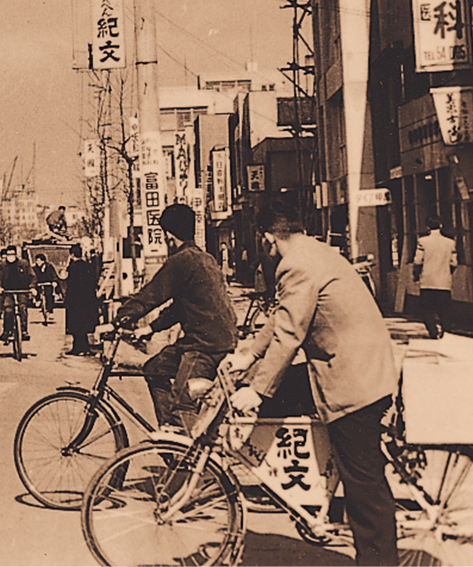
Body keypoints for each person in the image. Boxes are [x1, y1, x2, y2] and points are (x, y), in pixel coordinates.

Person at [219, 198, 398, 567]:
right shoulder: (315, 252)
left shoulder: (295, 265)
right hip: (357, 367)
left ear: (267, 237)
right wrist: (248, 356)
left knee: (364, 488)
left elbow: (289, 333)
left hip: (353, 381)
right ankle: (311, 499)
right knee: (281, 398)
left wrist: (255, 389)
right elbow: (282, 315)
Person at [111, 204, 238, 430]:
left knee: (182, 403)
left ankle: (185, 454)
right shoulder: (205, 258)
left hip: (204, 346)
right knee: (154, 368)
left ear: (169, 236)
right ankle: (169, 435)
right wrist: (151, 328)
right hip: (215, 339)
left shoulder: (181, 261)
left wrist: (119, 319)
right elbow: (183, 306)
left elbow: (151, 294)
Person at [413, 215, 457, 339]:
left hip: (427, 281)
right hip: (444, 282)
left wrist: (416, 276)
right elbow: (454, 263)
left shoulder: (423, 241)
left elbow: (418, 261)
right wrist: (447, 273)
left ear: (427, 227)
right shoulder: (450, 243)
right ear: (441, 226)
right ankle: (446, 332)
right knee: (445, 310)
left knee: (426, 309)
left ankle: (433, 331)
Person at [0, 246, 37, 342]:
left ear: (16, 254)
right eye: (8, 254)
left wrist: (33, 287)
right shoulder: (2, 265)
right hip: (8, 291)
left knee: (23, 308)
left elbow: (32, 276)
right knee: (8, 310)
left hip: (22, 290)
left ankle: (24, 330)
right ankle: (6, 331)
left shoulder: (24, 263)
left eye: (12, 254)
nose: (10, 256)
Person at [64, 243, 100, 355]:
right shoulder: (87, 266)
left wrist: (67, 300)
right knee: (84, 325)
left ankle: (77, 348)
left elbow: (71, 285)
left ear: (71, 254)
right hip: (88, 299)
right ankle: (84, 348)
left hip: (76, 300)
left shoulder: (73, 267)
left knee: (76, 326)